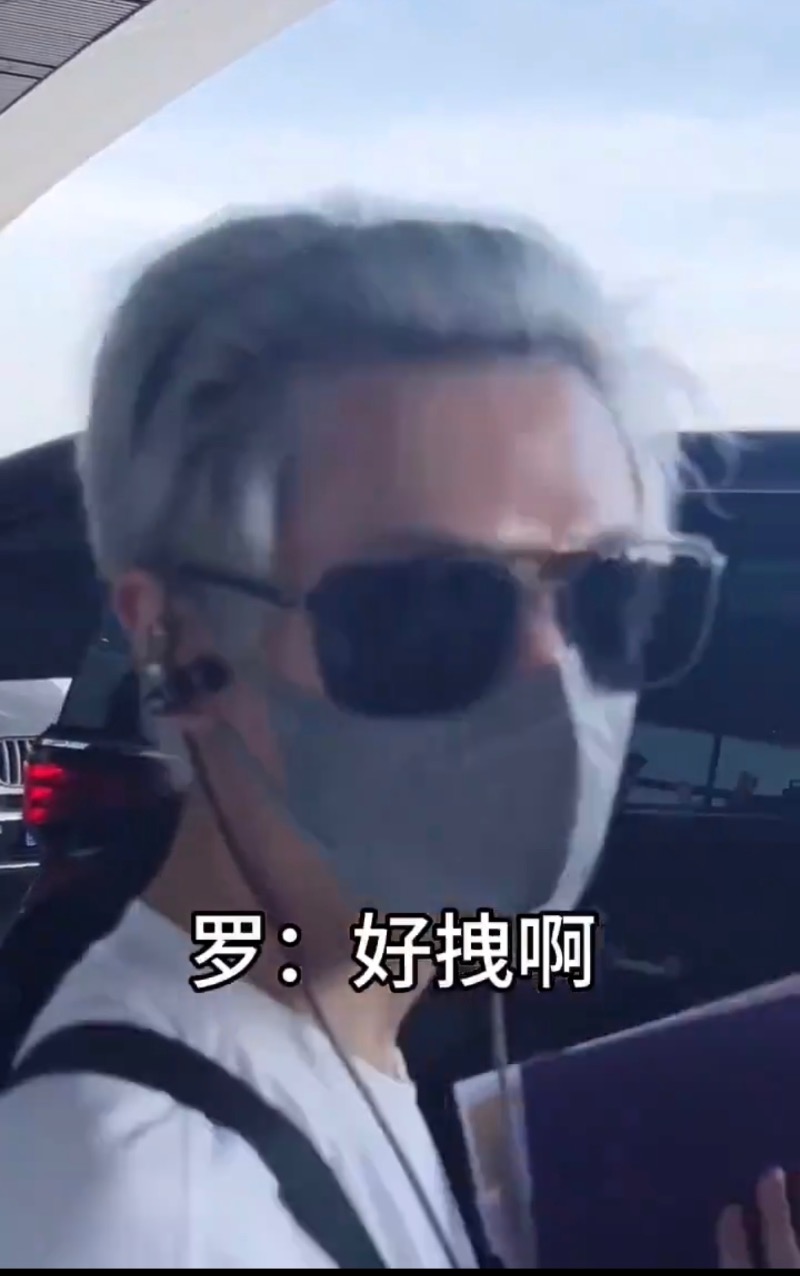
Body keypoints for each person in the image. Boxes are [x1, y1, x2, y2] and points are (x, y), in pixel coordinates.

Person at [0, 207, 712, 1267]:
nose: (551, 678)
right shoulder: (152, 1204)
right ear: (175, 636)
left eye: (611, 593)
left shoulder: (332, 1050)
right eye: (425, 605)